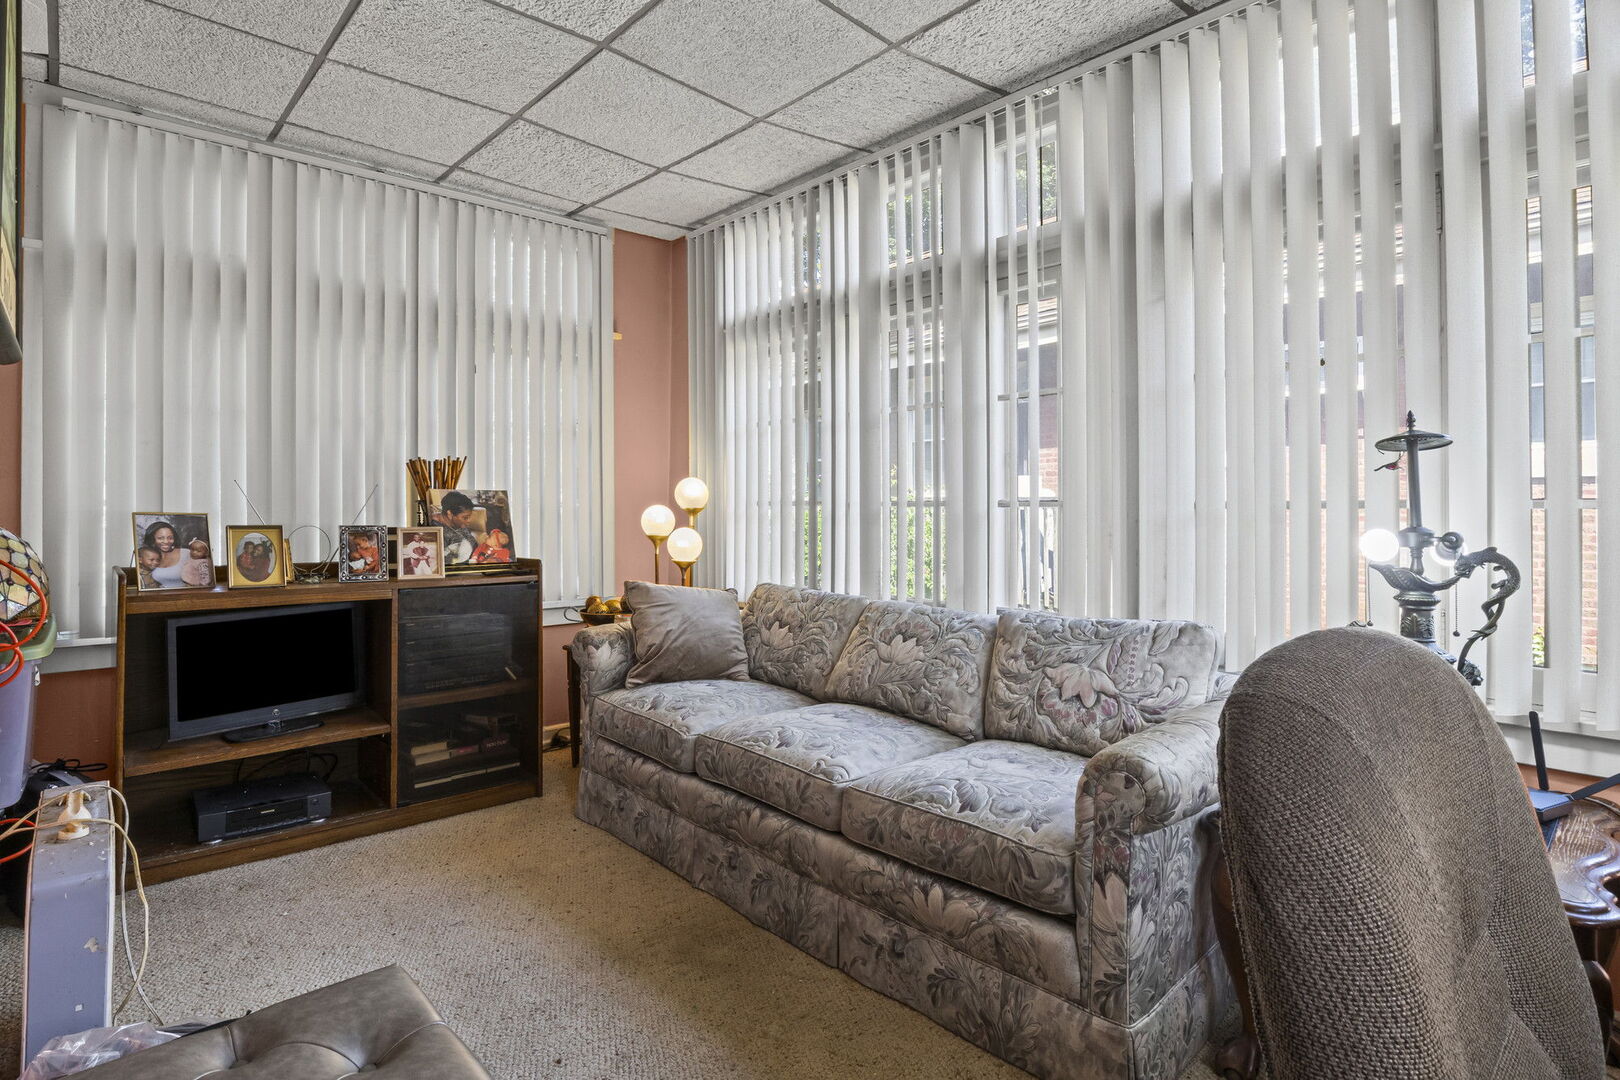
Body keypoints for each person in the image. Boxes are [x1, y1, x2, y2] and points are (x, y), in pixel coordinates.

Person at [142, 521, 195, 589]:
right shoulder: (148, 556)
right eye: (160, 538)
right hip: (160, 597)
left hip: (186, 596)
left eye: (170, 538)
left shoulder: (186, 553)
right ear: (152, 539)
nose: (166, 541)